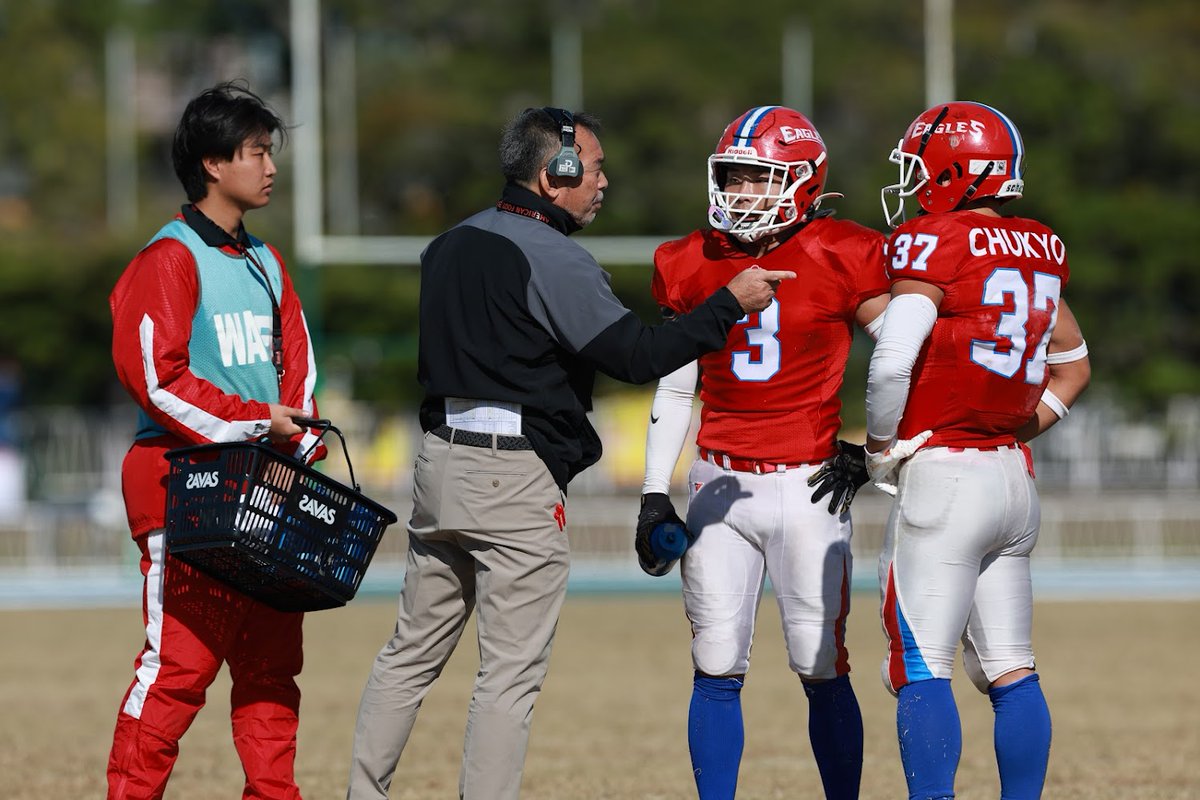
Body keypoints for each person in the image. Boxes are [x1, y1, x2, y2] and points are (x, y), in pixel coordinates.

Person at [345, 107, 792, 800]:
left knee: (409, 654)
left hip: (439, 463)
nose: (604, 181)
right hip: (512, 474)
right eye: (596, 166)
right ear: (556, 173)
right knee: (509, 673)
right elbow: (638, 357)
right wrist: (726, 306)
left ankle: (362, 793)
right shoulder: (552, 254)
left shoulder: (448, 243)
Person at [635, 105, 890, 800]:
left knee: (820, 663)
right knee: (715, 660)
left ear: (805, 181)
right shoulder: (688, 258)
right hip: (719, 479)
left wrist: (875, 449)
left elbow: (899, 356)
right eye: (735, 176)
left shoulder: (845, 249)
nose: (743, 192)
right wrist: (656, 488)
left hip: (809, 482)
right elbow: (677, 377)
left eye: (761, 177)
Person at [866, 101, 1091, 800]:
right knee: (1012, 668)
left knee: (922, 665)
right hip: (1011, 477)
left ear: (952, 168)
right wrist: (1021, 427)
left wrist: (878, 448)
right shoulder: (1040, 245)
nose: (910, 179)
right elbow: (1075, 365)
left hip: (945, 475)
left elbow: (891, 363)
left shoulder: (933, 241)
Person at [107, 81, 325, 800]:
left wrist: (298, 447)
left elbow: (301, 377)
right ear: (211, 163)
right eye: (256, 151)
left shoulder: (267, 262)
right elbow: (157, 380)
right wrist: (262, 420)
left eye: (269, 151)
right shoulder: (167, 259)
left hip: (265, 486)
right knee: (178, 669)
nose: (269, 166)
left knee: (271, 668)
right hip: (183, 487)